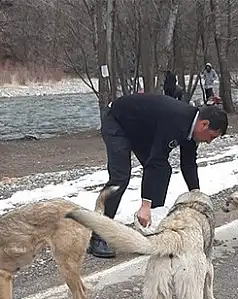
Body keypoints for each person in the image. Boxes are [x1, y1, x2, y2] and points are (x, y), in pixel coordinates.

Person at [88, 93, 229, 258]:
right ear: (204, 125)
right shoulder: (176, 121)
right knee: (120, 177)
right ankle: (97, 236)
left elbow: (188, 163)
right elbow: (156, 160)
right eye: (212, 137)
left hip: (139, 128)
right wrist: (145, 205)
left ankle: (148, 225)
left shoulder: (192, 127)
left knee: (164, 170)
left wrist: (196, 194)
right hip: (117, 122)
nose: (209, 142)